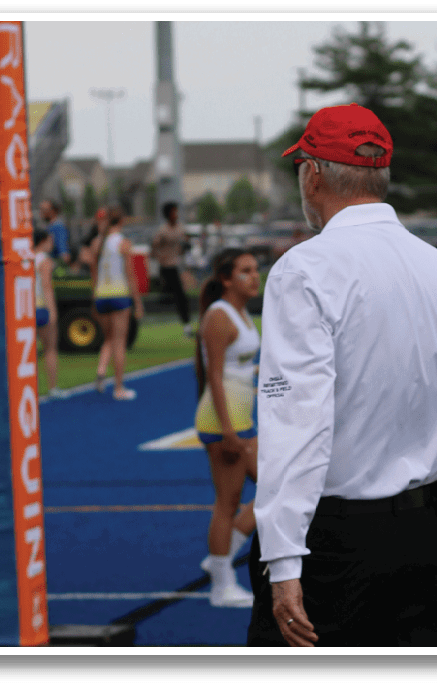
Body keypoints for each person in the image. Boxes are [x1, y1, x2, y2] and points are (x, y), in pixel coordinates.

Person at [247, 103, 437, 648]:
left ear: (312, 174)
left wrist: (284, 560)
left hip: (330, 543)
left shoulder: (304, 269)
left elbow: (296, 422)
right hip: (420, 539)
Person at [194, 248, 262, 608]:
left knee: (275, 487)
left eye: (255, 269)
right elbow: (215, 377)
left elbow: (239, 369)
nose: (255, 276)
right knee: (228, 501)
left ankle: (221, 555)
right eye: (245, 270)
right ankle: (221, 586)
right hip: (224, 423)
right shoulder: (219, 316)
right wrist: (229, 431)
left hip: (241, 418)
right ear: (226, 278)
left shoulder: (242, 313)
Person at [87, 205, 143, 400]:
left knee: (109, 338)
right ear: (121, 221)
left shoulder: (96, 242)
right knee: (119, 343)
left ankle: (101, 370)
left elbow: (93, 274)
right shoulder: (123, 242)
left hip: (101, 296)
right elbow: (130, 274)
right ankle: (118, 388)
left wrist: (94, 298)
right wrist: (138, 302)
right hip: (119, 295)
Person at [33, 229, 67, 399]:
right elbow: (46, 286)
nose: (52, 244)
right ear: (43, 241)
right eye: (50, 240)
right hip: (41, 307)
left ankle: (29, 389)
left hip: (26, 309)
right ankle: (53, 388)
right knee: (50, 349)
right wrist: (52, 311)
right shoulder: (45, 260)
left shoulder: (26, 257)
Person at [152, 201, 194, 337]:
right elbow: (154, 248)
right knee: (171, 297)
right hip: (166, 268)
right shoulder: (163, 231)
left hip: (176, 266)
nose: (176, 214)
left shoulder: (180, 228)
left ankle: (187, 325)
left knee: (181, 297)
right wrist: (160, 257)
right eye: (174, 212)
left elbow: (184, 245)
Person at [39, 199, 72, 268]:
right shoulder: (49, 226)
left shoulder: (58, 227)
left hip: (53, 266)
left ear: (52, 211)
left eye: (44, 210)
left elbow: (64, 253)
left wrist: (62, 267)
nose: (41, 212)